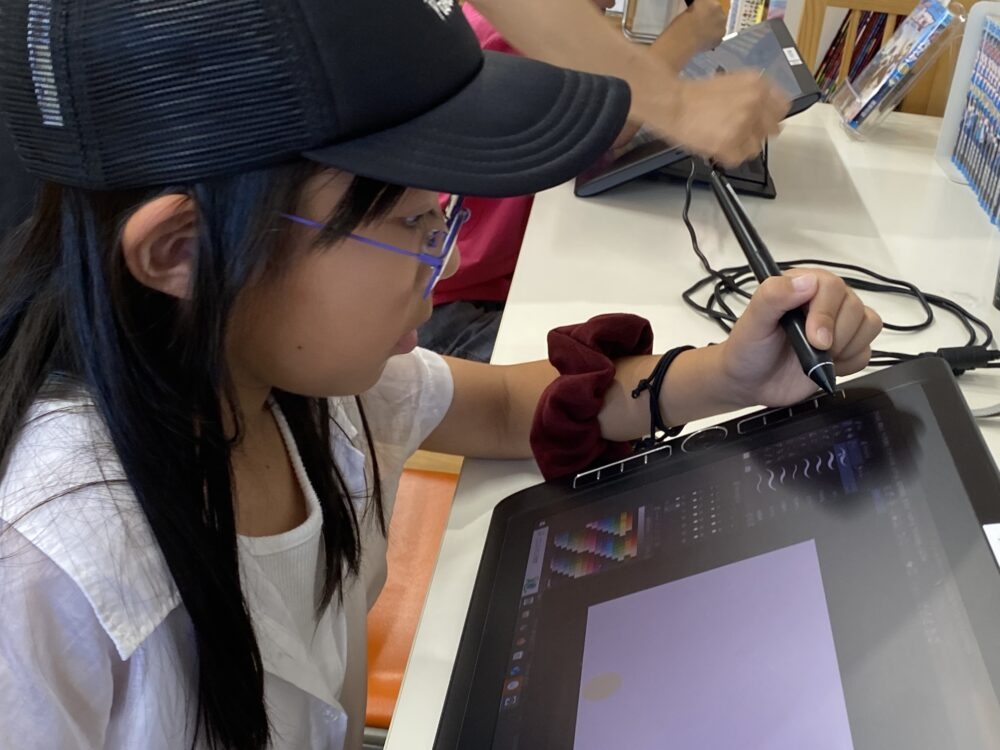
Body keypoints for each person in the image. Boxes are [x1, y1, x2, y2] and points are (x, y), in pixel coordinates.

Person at [0, 2, 881, 750]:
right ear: (182, 251)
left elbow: (499, 407)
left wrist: (728, 376)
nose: (448, 256)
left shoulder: (296, 384)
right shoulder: (47, 577)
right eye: (415, 222)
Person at [419, 0, 728, 362]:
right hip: (439, 305)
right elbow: (611, 124)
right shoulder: (520, 30)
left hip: (481, 280)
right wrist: (686, 35)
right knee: (598, 371)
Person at [470, 0, 790, 166]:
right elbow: (603, 130)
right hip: (497, 263)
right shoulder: (512, 35)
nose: (611, 4)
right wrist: (685, 41)